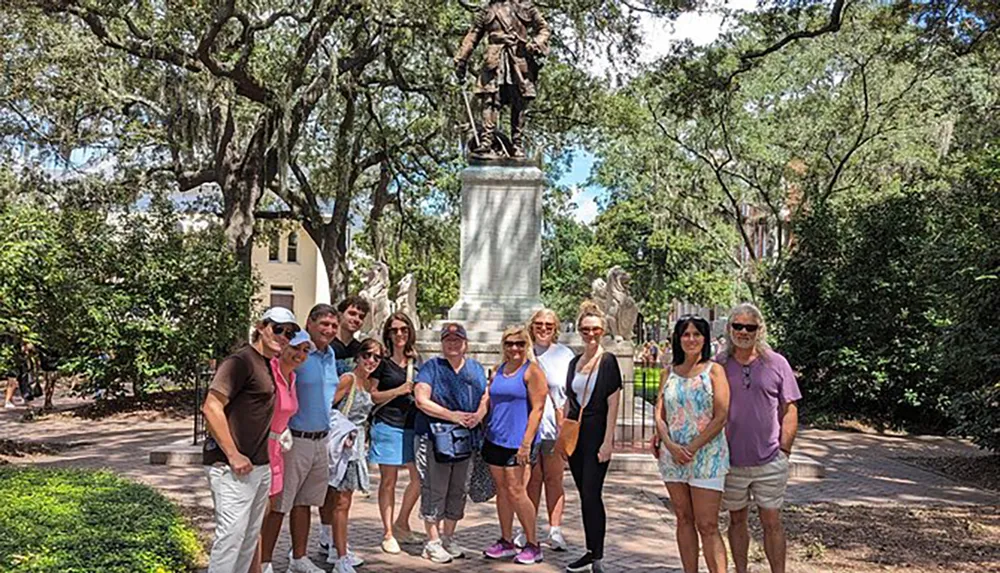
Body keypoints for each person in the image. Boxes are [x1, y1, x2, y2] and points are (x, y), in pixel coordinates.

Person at [201, 306, 297, 573]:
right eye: (277, 328)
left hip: (260, 465)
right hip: (232, 468)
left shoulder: (269, 364)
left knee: (247, 539)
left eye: (288, 333)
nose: (283, 336)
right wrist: (233, 454)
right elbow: (211, 407)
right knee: (230, 539)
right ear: (260, 326)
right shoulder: (240, 361)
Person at [717, 303, 801, 573]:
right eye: (737, 326)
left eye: (749, 327)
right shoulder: (719, 364)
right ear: (730, 328)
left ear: (759, 329)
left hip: (769, 460)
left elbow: (790, 409)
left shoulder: (776, 363)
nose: (743, 332)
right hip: (731, 461)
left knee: (772, 521)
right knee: (737, 520)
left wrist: (784, 451)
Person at [260, 304, 339, 573]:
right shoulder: (295, 350)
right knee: (279, 505)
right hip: (294, 439)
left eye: (333, 325)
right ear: (310, 323)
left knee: (306, 502)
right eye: (324, 324)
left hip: (321, 440)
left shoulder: (330, 355)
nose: (329, 330)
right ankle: (265, 561)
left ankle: (299, 558)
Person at [654, 316, 730, 573]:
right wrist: (670, 445)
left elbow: (721, 416)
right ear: (678, 339)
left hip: (707, 456)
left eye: (697, 334)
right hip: (673, 457)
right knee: (683, 518)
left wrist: (693, 447)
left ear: (705, 339)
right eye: (685, 334)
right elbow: (659, 414)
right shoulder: (669, 372)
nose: (691, 339)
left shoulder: (715, 371)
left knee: (707, 524)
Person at [413, 322, 489, 564]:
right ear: (442, 343)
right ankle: (432, 541)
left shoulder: (476, 368)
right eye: (448, 340)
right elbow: (421, 400)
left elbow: (486, 395)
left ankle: (448, 537)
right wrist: (452, 415)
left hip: (466, 439)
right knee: (435, 487)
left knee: (458, 488)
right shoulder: (431, 368)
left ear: (465, 343)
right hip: (437, 437)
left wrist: (478, 414)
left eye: (457, 340)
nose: (453, 344)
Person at [563, 302, 622, 573]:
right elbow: (569, 401)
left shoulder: (608, 361)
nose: (591, 334)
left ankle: (595, 553)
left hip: (598, 433)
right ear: (579, 331)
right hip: (577, 435)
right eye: (586, 329)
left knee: (591, 493)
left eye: (595, 329)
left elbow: (613, 404)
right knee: (583, 493)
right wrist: (564, 437)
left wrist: (608, 441)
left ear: (603, 330)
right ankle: (590, 550)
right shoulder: (575, 362)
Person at [482, 325, 548, 564]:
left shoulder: (532, 371)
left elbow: (538, 409)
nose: (514, 348)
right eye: (509, 344)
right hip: (495, 439)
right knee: (502, 491)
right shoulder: (499, 370)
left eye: (520, 343)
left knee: (518, 492)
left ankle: (533, 543)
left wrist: (526, 443)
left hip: (518, 442)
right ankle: (506, 539)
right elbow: (488, 399)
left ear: (527, 345)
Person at [252, 330, 313, 573]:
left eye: (306, 350)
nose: (300, 354)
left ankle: (261, 564)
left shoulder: (293, 378)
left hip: (278, 451)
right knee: (255, 518)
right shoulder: (270, 371)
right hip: (259, 448)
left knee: (267, 513)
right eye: (296, 347)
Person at [369, 312, 424, 554]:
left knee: (419, 478)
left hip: (413, 426)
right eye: (394, 330)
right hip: (387, 424)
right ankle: (388, 532)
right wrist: (399, 390)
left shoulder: (417, 361)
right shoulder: (381, 362)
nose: (399, 334)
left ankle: (402, 522)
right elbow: (373, 395)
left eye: (403, 329)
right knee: (389, 481)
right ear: (388, 334)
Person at [521, 308, 574, 552]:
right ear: (532, 326)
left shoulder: (565, 355)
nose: (544, 329)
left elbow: (571, 393)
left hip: (554, 427)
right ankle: (527, 529)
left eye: (549, 325)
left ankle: (555, 530)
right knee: (530, 481)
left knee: (554, 479)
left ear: (556, 329)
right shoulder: (522, 352)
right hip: (528, 427)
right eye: (540, 324)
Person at [326, 338, 380, 573]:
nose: (371, 360)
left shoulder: (368, 384)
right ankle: (340, 556)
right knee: (342, 502)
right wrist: (342, 432)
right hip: (343, 446)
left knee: (340, 501)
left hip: (357, 446)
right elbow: (326, 406)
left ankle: (335, 548)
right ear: (357, 356)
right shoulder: (348, 379)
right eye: (367, 355)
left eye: (377, 357)